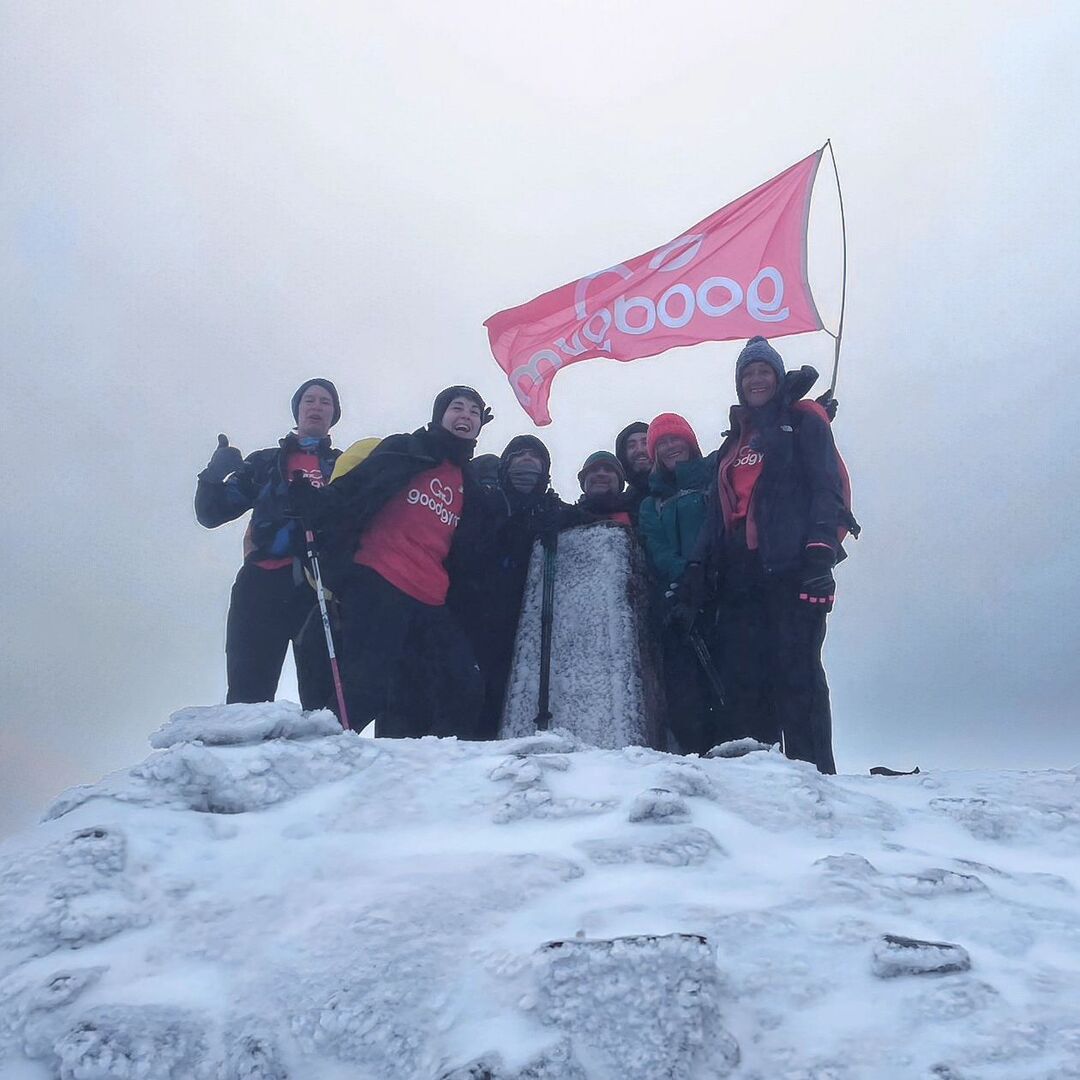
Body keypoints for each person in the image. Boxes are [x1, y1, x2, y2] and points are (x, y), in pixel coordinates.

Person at [681, 336, 853, 773]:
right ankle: (759, 777)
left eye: (764, 371)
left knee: (797, 671)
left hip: (792, 565)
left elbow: (825, 487)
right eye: (748, 373)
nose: (756, 379)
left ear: (777, 377)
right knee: (746, 673)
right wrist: (698, 569)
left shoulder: (803, 422)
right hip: (739, 572)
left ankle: (814, 774)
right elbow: (717, 514)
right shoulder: (733, 443)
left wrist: (820, 555)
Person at [291, 386, 491, 738]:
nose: (466, 416)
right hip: (379, 580)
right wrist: (316, 504)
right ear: (439, 416)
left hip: (431, 598)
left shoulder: (469, 484)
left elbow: (471, 550)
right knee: (368, 685)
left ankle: (445, 771)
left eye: (474, 412)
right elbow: (357, 486)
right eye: (457, 408)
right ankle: (314, 750)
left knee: (463, 683)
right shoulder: (407, 448)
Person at [194, 379, 342, 707]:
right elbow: (212, 513)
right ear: (297, 410)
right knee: (248, 696)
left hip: (320, 587)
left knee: (323, 705)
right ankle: (244, 758)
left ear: (334, 415)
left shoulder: (343, 466)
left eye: (325, 402)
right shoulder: (265, 463)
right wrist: (212, 475)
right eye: (309, 400)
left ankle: (320, 758)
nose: (316, 406)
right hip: (261, 583)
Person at [454, 435, 585, 737]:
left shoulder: (551, 509)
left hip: (520, 621)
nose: (527, 460)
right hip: (474, 612)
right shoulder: (485, 502)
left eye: (535, 456)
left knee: (502, 693)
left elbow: (588, 521)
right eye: (519, 455)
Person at [637, 413, 724, 755]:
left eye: (677, 439)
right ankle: (694, 754)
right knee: (684, 690)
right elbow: (656, 547)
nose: (672, 447)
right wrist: (684, 575)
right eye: (663, 443)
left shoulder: (713, 480)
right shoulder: (651, 503)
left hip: (719, 591)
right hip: (679, 600)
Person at [575, 451, 636, 525]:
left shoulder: (638, 515)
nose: (601, 473)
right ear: (583, 482)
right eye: (594, 469)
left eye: (608, 469)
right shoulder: (566, 519)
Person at [615, 421, 652, 521]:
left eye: (645, 443)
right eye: (631, 446)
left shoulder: (680, 489)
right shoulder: (620, 506)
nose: (640, 450)